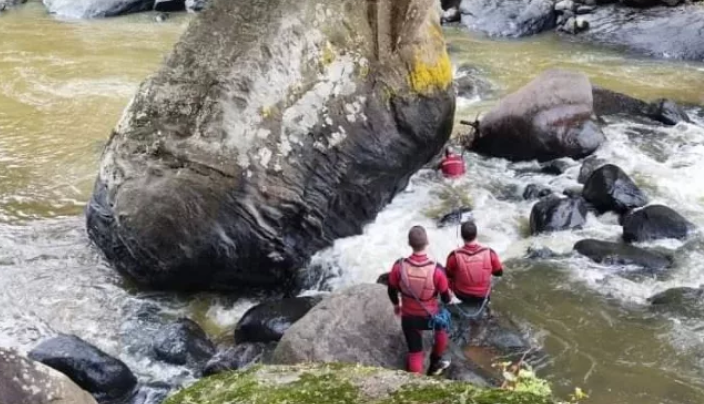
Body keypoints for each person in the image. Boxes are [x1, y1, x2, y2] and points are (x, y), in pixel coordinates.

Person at [387, 226, 452, 376]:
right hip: (430, 316)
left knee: (415, 353)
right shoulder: (438, 270)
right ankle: (436, 361)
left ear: (409, 243)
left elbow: (391, 290)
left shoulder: (399, 267)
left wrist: (397, 306)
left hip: (409, 317)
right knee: (442, 329)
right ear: (427, 242)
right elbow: (446, 299)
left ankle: (414, 382)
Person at [445, 221, 503, 307]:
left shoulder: (453, 256)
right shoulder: (490, 253)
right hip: (483, 295)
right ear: (476, 235)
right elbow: (499, 273)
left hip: (461, 294)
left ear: (462, 236)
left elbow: (448, 275)